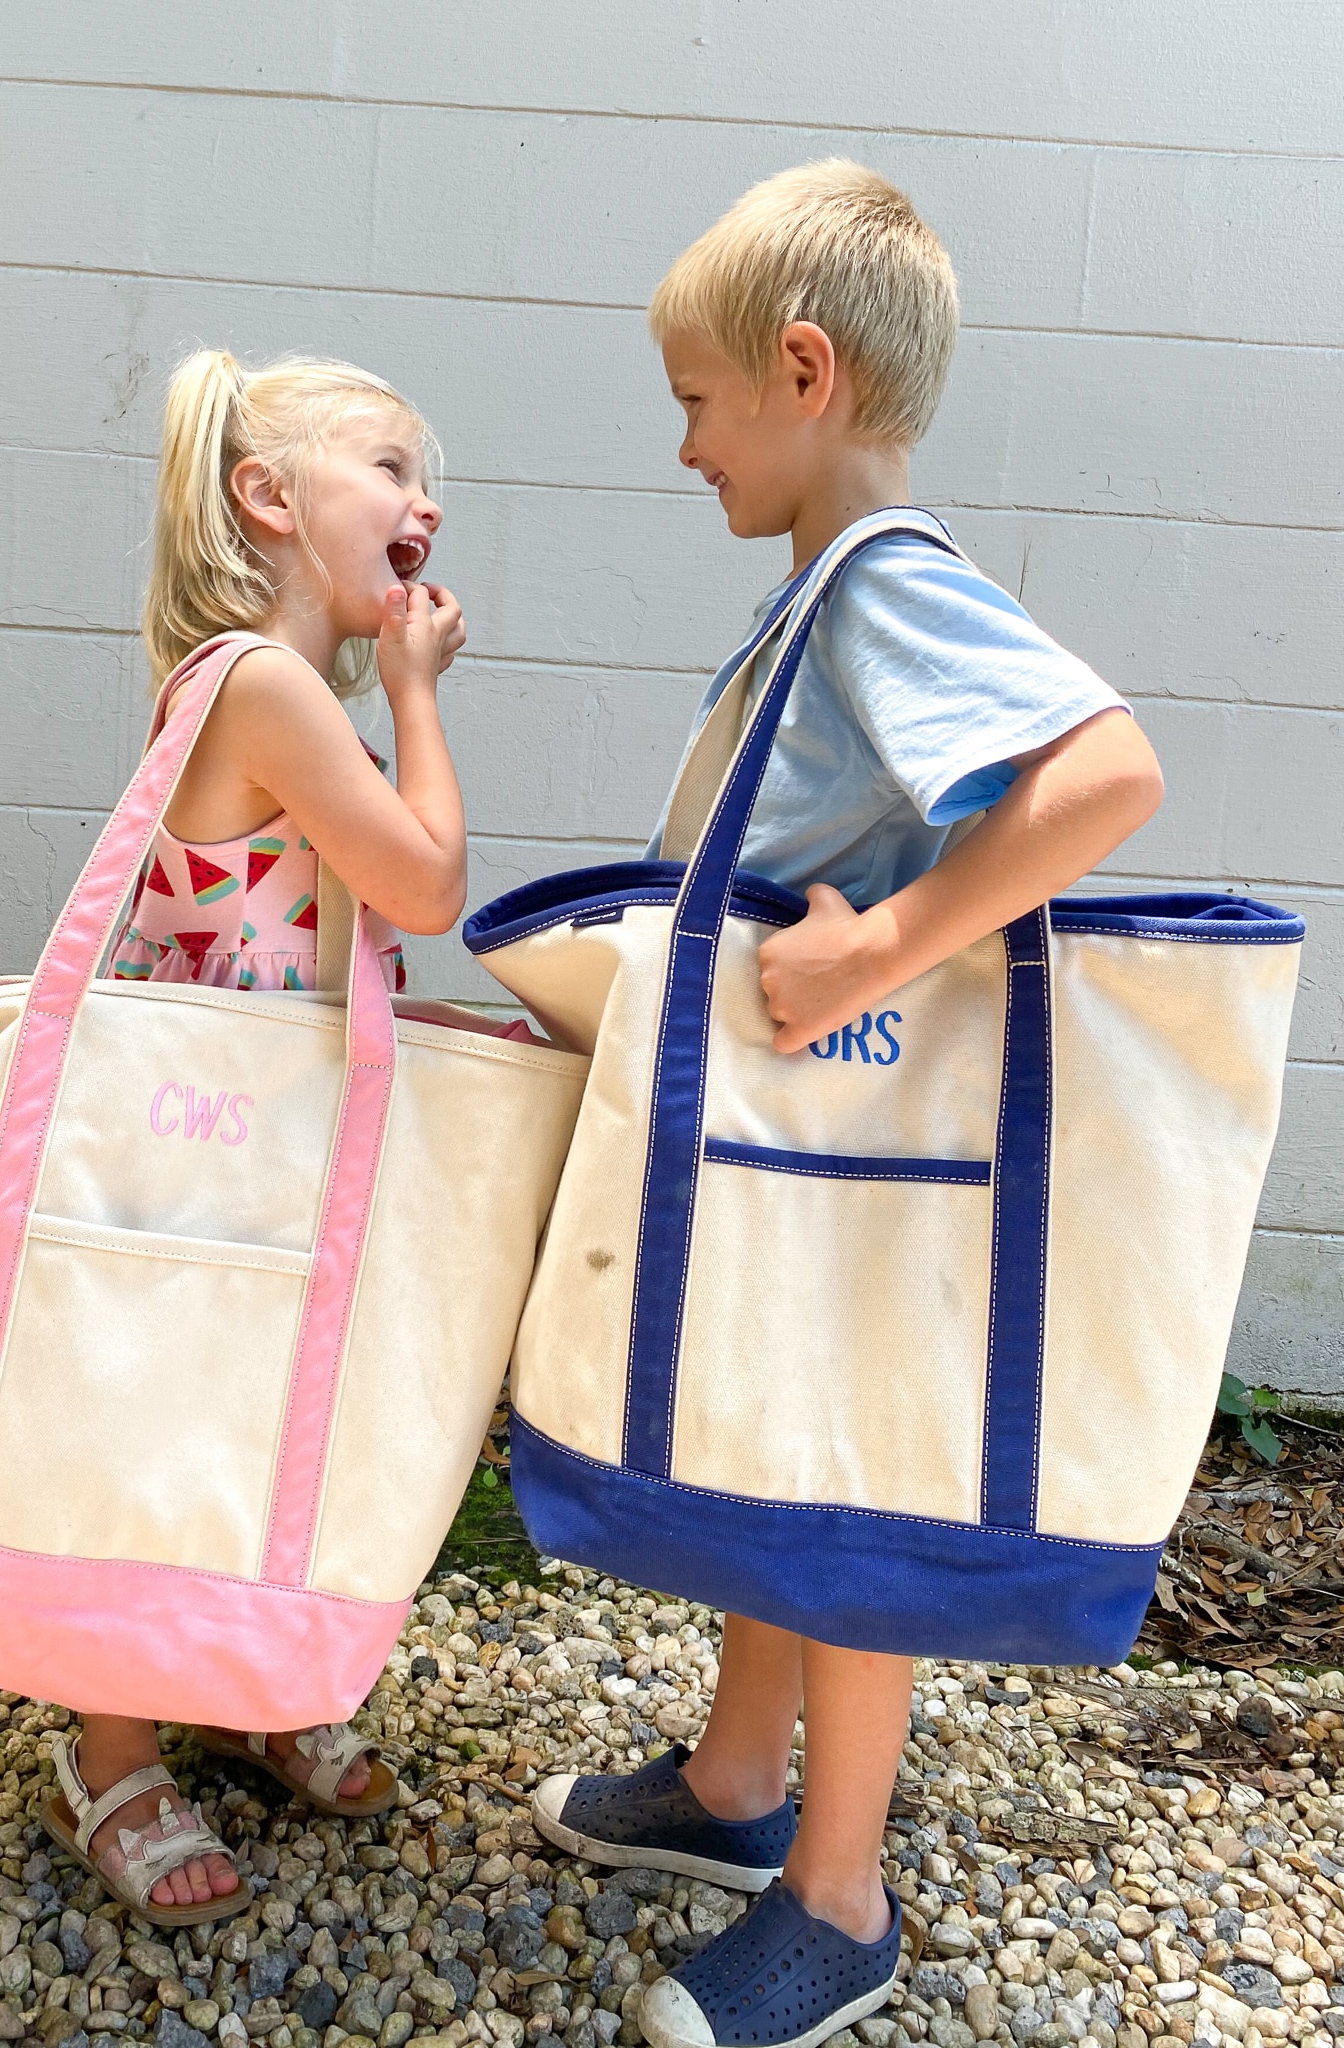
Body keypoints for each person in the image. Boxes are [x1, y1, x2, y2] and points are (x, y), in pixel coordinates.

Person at [530, 161, 1164, 2048]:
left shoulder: (883, 588)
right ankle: (737, 1792)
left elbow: (1110, 774)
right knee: (776, 1455)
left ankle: (842, 1897)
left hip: (861, 1154)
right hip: (809, 1149)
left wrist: (879, 948)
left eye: (696, 401)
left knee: (854, 1491)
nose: (683, 447)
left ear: (802, 370)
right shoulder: (823, 601)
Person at [39, 350, 468, 1924]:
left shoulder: (249, 686)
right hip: (216, 1151)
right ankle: (108, 1748)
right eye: (389, 467)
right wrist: (418, 696)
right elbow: (424, 883)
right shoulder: (270, 687)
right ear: (269, 499)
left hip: (243, 1149)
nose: (425, 504)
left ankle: (242, 1679)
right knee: (167, 1440)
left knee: (254, 1424)